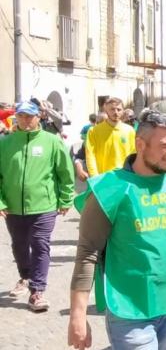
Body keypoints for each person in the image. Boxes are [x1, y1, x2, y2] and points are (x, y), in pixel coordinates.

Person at [68, 108, 166, 350]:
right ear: (140, 144)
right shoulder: (109, 189)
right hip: (130, 311)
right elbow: (87, 253)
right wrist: (77, 315)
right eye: (165, 145)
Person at [0, 100, 74, 312]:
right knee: (19, 245)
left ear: (39, 117)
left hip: (44, 205)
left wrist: (66, 198)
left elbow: (65, 172)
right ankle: (25, 276)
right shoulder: (5, 143)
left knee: (40, 243)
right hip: (13, 207)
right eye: (21, 116)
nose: (25, 120)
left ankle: (37, 291)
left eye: (29, 116)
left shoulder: (52, 141)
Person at [86, 97, 136, 177]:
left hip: (124, 178)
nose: (116, 112)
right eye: (112, 109)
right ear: (106, 111)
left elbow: (133, 155)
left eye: (119, 109)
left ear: (123, 111)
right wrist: (94, 177)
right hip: (102, 178)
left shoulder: (130, 131)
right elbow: (90, 156)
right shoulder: (94, 131)